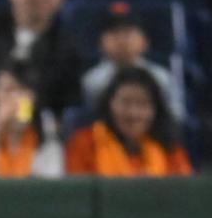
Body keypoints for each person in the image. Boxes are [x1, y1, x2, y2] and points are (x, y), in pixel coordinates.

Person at [65, 65, 194, 175]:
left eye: (143, 104)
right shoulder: (84, 144)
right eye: (126, 103)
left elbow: (183, 195)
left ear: (156, 109)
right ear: (109, 104)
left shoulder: (170, 149)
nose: (133, 114)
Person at [81, 2, 182, 122]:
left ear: (145, 42)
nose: (122, 40)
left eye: (128, 32)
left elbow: (176, 118)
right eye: (114, 33)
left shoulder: (161, 78)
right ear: (100, 43)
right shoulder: (92, 81)